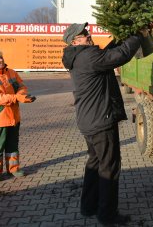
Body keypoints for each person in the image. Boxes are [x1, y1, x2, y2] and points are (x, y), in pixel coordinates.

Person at [61, 22, 147, 226]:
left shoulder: (78, 57)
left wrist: (120, 34)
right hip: (101, 122)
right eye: (83, 34)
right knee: (109, 167)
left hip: (88, 121)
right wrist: (138, 34)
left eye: (86, 31)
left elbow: (108, 53)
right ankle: (107, 215)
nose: (88, 34)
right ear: (75, 41)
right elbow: (121, 55)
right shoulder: (88, 57)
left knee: (94, 163)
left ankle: (88, 206)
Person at [0, 50, 36, 182]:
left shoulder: (11, 73)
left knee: (12, 145)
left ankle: (14, 169)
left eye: (1, 58)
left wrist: (22, 94)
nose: (1, 60)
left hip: (14, 117)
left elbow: (21, 86)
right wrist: (16, 97)